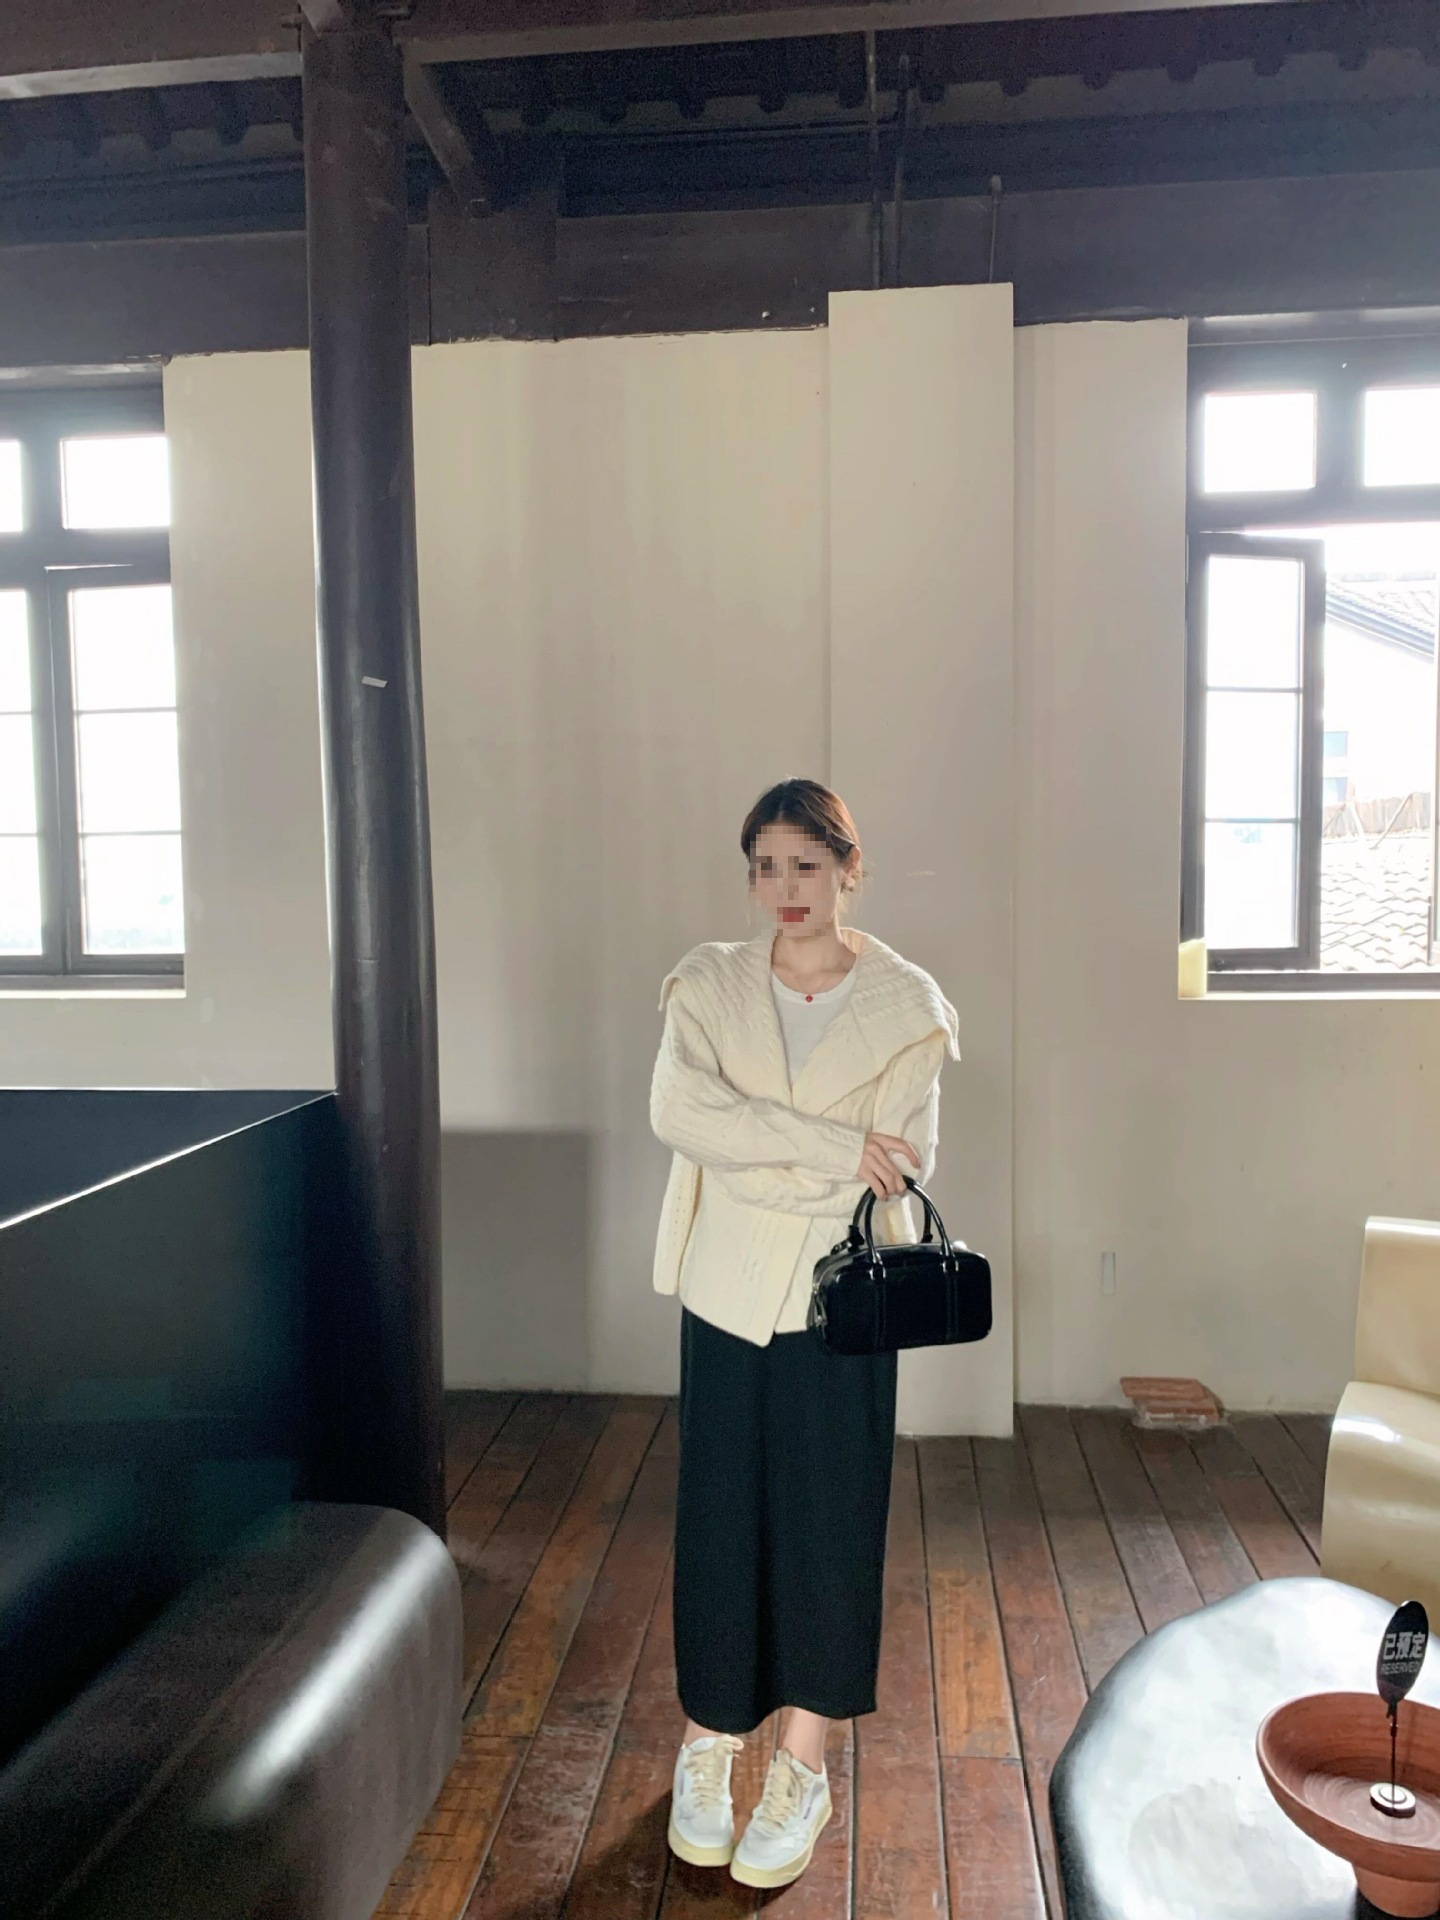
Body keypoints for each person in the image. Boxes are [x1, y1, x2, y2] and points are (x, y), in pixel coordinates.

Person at [648, 777, 960, 1891]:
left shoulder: (909, 1005)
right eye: (766, 866)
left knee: (832, 1527)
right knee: (718, 1523)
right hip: (726, 1289)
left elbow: (905, 1159)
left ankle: (803, 1765)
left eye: (807, 866)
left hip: (842, 1301)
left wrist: (761, 1150)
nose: (785, 887)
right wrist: (830, 1149)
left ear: (848, 870)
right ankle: (708, 1743)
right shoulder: (709, 982)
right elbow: (680, 1114)